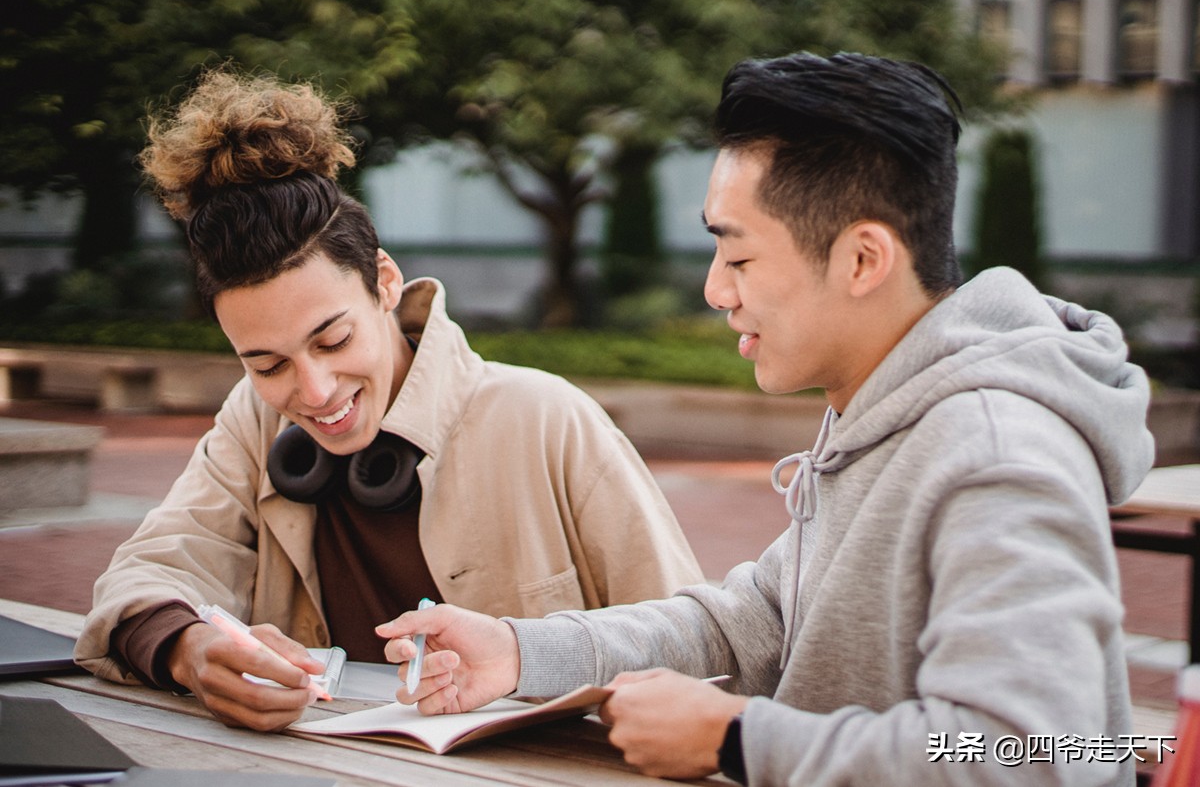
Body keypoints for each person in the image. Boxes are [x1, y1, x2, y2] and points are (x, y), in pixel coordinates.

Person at [376, 52, 1155, 786]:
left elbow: (1038, 752)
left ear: (863, 259)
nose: (715, 290)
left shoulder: (994, 453)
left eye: (740, 257)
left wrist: (739, 739)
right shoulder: (883, 412)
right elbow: (749, 624)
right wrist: (519, 651)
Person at [75, 68, 703, 732]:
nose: (314, 391)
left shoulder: (548, 418)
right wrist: (189, 649)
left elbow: (696, 642)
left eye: (334, 339)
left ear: (385, 282)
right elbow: (146, 572)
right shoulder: (255, 420)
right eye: (267, 364)